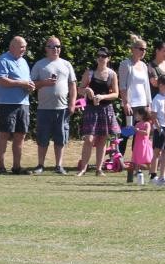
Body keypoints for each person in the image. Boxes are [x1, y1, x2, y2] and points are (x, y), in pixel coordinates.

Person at [30, 36, 77, 174]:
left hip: (62, 108)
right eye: (53, 46)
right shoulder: (40, 64)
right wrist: (44, 82)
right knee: (42, 138)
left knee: (61, 138)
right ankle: (40, 165)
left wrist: (72, 103)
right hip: (44, 108)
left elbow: (73, 85)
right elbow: (31, 85)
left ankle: (59, 166)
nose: (56, 49)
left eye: (58, 46)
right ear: (46, 49)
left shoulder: (66, 64)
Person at [74, 48, 119, 176]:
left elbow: (116, 94)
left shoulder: (112, 74)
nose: (101, 58)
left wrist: (102, 97)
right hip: (91, 109)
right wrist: (87, 91)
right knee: (89, 139)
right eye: (99, 55)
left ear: (108, 58)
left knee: (102, 139)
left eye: (104, 56)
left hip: (105, 109)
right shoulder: (89, 72)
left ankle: (99, 169)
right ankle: (83, 168)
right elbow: (80, 89)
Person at [0, 36, 33, 174]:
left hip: (23, 103)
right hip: (7, 103)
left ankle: (17, 166)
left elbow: (26, 80)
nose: (24, 49)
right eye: (22, 47)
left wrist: (30, 86)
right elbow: (1, 80)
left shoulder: (24, 62)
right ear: (12, 47)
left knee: (20, 135)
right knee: (4, 134)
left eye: (25, 47)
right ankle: (1, 166)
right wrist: (21, 83)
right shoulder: (3, 60)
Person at [118, 35, 152, 183]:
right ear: (133, 49)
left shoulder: (144, 66)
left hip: (142, 104)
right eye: (140, 49)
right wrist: (125, 103)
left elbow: (146, 86)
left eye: (145, 49)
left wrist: (149, 104)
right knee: (126, 132)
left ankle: (136, 163)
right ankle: (118, 162)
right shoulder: (126, 64)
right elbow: (123, 85)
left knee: (139, 136)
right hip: (131, 104)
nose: (143, 51)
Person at [150, 75, 165, 184]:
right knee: (157, 152)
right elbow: (153, 116)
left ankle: (162, 175)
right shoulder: (157, 99)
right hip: (160, 129)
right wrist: (159, 129)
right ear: (160, 85)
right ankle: (153, 175)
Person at [129, 106, 154, 184]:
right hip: (137, 144)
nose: (136, 116)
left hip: (144, 144)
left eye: (137, 115)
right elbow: (133, 132)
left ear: (143, 115)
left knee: (147, 159)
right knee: (137, 158)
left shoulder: (147, 124)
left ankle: (151, 171)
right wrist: (130, 130)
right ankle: (137, 171)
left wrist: (138, 130)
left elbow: (146, 133)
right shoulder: (137, 124)